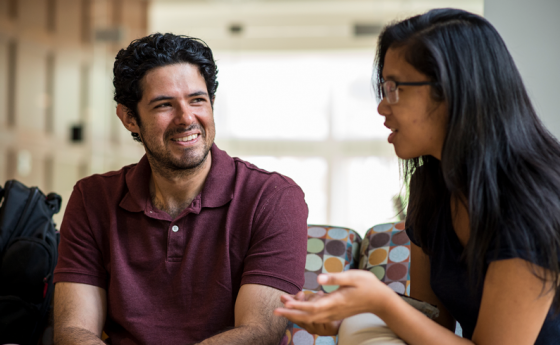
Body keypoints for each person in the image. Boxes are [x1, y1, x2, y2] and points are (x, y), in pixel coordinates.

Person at [275, 8, 560, 345]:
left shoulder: (531, 202)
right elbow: (433, 322)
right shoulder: (431, 187)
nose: (382, 106)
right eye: (384, 87)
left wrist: (381, 302)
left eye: (395, 88)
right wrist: (347, 311)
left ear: (453, 90)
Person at [52, 33, 308, 344]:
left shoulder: (273, 197)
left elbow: (259, 332)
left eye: (197, 100)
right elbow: (73, 331)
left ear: (212, 103)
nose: (187, 118)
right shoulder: (92, 198)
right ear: (129, 118)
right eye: (164, 105)